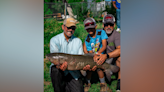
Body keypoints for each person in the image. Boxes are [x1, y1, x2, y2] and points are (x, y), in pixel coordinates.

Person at [49, 17, 84, 92]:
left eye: (73, 28)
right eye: (68, 27)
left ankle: (67, 86)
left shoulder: (78, 41)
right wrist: (60, 66)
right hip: (59, 72)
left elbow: (82, 58)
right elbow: (55, 59)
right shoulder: (54, 40)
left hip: (73, 73)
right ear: (63, 27)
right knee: (55, 70)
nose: (70, 30)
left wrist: (85, 68)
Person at [94, 14, 121, 92]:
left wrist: (106, 56)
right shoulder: (98, 32)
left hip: (111, 58)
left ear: (114, 25)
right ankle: (89, 81)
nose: (108, 27)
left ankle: (120, 81)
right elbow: (88, 42)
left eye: (111, 25)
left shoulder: (116, 35)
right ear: (103, 25)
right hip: (99, 56)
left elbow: (120, 50)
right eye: (106, 25)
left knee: (121, 58)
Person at [83, 17, 108, 92]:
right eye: (88, 28)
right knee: (90, 67)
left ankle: (103, 83)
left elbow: (104, 46)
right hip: (92, 56)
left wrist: (98, 54)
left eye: (91, 28)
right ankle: (87, 82)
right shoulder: (87, 39)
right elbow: (90, 51)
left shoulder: (101, 33)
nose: (89, 30)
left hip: (102, 55)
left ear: (95, 27)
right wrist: (94, 56)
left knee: (98, 66)